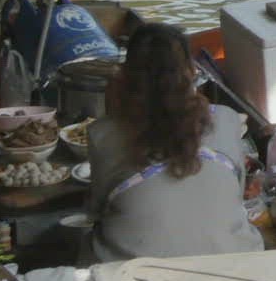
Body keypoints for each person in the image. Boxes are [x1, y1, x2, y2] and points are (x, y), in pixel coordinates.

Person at [86, 24, 261, 263]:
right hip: (234, 263)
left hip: (134, 271)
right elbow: (237, 195)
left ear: (125, 76)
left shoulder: (102, 133)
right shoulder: (227, 119)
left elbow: (96, 210)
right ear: (192, 71)